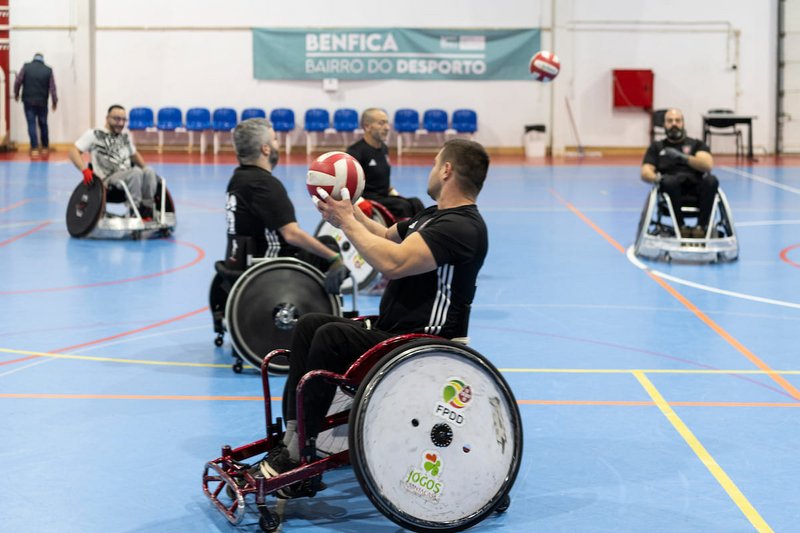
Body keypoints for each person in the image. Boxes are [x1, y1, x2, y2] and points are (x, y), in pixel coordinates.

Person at [253, 138, 490, 497]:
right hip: (393, 332)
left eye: (434, 162)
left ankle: (303, 454)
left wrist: (346, 222)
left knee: (332, 337)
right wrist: (343, 207)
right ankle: (293, 442)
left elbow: (394, 263)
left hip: (427, 341)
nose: (430, 169)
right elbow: (381, 235)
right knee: (310, 325)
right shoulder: (432, 216)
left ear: (447, 170)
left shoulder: (463, 227)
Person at [221, 117, 348, 285]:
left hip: (241, 262)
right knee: (328, 247)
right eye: (274, 139)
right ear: (265, 149)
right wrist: (334, 258)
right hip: (269, 267)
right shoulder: (264, 184)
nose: (277, 144)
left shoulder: (237, 179)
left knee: (321, 244)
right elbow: (292, 234)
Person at [68, 105, 159, 221]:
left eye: (123, 120)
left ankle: (146, 210)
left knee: (149, 171)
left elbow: (134, 154)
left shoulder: (125, 136)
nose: (120, 123)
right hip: (108, 180)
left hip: (128, 175)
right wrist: (84, 170)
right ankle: (134, 210)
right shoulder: (94, 134)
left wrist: (146, 169)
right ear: (107, 118)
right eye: (116, 119)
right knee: (135, 172)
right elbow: (73, 151)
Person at [641, 108, 717, 238]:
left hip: (695, 187)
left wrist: (683, 157)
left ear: (683, 123)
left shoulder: (696, 144)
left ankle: (701, 227)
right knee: (670, 181)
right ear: (664, 125)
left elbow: (707, 165)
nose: (674, 124)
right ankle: (681, 226)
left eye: (677, 120)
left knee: (711, 180)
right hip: (670, 189)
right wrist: (657, 178)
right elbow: (645, 171)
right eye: (670, 121)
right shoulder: (657, 147)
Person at [346, 108, 424, 219]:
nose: (387, 128)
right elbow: (347, 184)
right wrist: (359, 201)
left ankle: (424, 233)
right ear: (367, 127)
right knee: (402, 206)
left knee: (416, 203)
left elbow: (382, 180)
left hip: (385, 197)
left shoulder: (384, 149)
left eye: (387, 123)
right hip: (369, 199)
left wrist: (393, 192)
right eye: (381, 123)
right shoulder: (355, 152)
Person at [14, 53, 58, 157]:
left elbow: (18, 81)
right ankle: (45, 147)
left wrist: (16, 94)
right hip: (42, 102)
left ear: (33, 58)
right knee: (43, 123)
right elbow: (53, 88)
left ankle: (34, 148)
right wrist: (54, 102)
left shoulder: (26, 67)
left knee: (31, 124)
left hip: (28, 101)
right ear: (42, 59)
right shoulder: (48, 70)